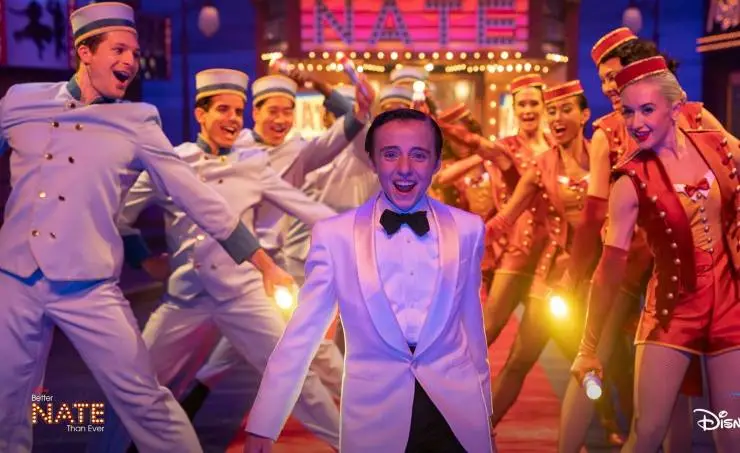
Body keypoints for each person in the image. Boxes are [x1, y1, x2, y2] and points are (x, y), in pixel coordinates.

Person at [0, 4, 289, 453]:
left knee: (144, 398)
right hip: (14, 279)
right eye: (119, 50)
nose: (131, 61)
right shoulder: (20, 101)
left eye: (135, 53)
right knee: (8, 403)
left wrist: (263, 263)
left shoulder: (137, 122)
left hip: (87, 286)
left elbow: (195, 195)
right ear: (85, 51)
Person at [93, 68, 344, 452]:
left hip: (243, 295)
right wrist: (143, 260)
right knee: (137, 384)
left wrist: (362, 232)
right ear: (200, 114)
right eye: (223, 109)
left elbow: (306, 208)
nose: (232, 119)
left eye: (237, 111)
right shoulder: (174, 161)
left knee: (295, 375)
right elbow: (119, 215)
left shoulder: (253, 164)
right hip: (186, 298)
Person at [245, 108, 495, 453]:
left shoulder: (468, 229)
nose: (404, 168)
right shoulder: (335, 236)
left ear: (437, 163)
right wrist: (264, 422)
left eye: (418, 155)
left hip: (455, 413)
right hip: (375, 415)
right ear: (373, 161)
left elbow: (472, 331)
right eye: (390, 154)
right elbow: (302, 334)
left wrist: (484, 414)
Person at [558, 27, 740, 453]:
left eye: (646, 110)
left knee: (731, 430)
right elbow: (606, 253)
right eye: (628, 111)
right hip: (667, 304)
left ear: (674, 106)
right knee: (648, 428)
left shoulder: (711, 138)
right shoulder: (626, 169)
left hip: (728, 307)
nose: (635, 122)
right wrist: (586, 345)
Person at [177, 71, 372, 420]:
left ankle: (363, 405)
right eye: (273, 111)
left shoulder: (299, 152)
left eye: (288, 111)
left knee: (303, 339)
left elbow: (344, 131)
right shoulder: (232, 147)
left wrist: (350, 104)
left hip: (269, 266)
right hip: (219, 266)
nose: (281, 120)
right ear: (255, 112)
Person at [483, 81, 622, 441]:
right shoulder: (540, 166)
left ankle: (610, 422)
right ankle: (479, 430)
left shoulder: (607, 158)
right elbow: (505, 218)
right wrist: (459, 242)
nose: (558, 118)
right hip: (553, 280)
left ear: (585, 114)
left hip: (600, 278)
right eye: (553, 111)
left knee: (602, 359)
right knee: (519, 359)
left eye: (567, 110)